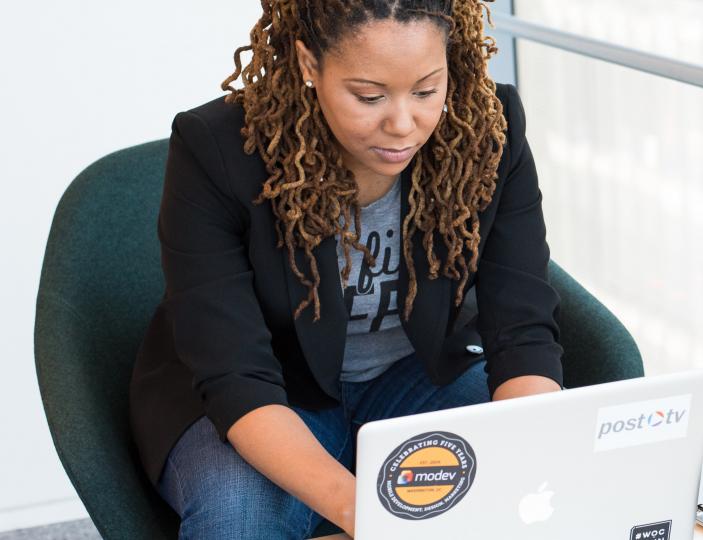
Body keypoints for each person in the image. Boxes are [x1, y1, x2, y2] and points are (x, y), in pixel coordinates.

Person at [127, 1, 564, 537]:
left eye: (427, 91)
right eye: (369, 96)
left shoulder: (485, 129)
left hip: (419, 377)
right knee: (235, 521)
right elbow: (236, 377)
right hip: (271, 393)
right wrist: (373, 515)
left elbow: (521, 331)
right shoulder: (216, 149)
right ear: (310, 64)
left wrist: (533, 460)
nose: (404, 124)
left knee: (541, 491)